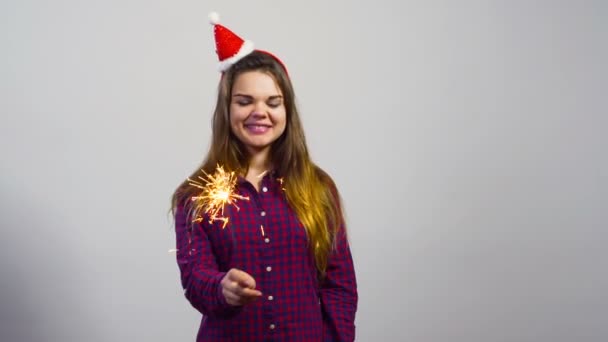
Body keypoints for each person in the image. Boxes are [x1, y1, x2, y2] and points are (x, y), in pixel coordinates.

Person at [171, 13, 357, 341]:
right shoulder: (196, 195)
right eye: (245, 101)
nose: (260, 112)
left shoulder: (318, 188)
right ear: (227, 109)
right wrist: (222, 288)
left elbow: (339, 286)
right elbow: (195, 279)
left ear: (287, 112)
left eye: (273, 102)